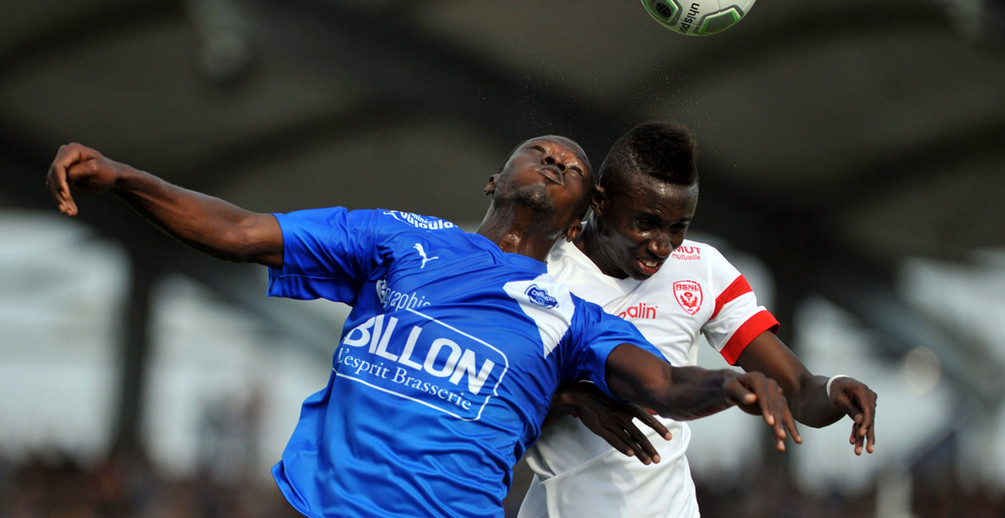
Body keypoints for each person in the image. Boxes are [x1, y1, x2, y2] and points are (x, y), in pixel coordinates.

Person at [45, 137, 800, 518]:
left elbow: (661, 382)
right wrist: (121, 176)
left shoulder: (569, 313)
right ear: (492, 182)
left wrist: (732, 383)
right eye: (536, 149)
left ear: (582, 214)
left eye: (569, 162)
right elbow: (240, 231)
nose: (551, 155)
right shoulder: (395, 238)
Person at [518, 122, 878, 518]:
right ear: (600, 201)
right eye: (645, 223)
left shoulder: (703, 270)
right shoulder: (537, 271)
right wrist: (572, 400)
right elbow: (484, 397)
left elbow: (800, 389)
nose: (661, 246)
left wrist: (834, 390)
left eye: (677, 228)